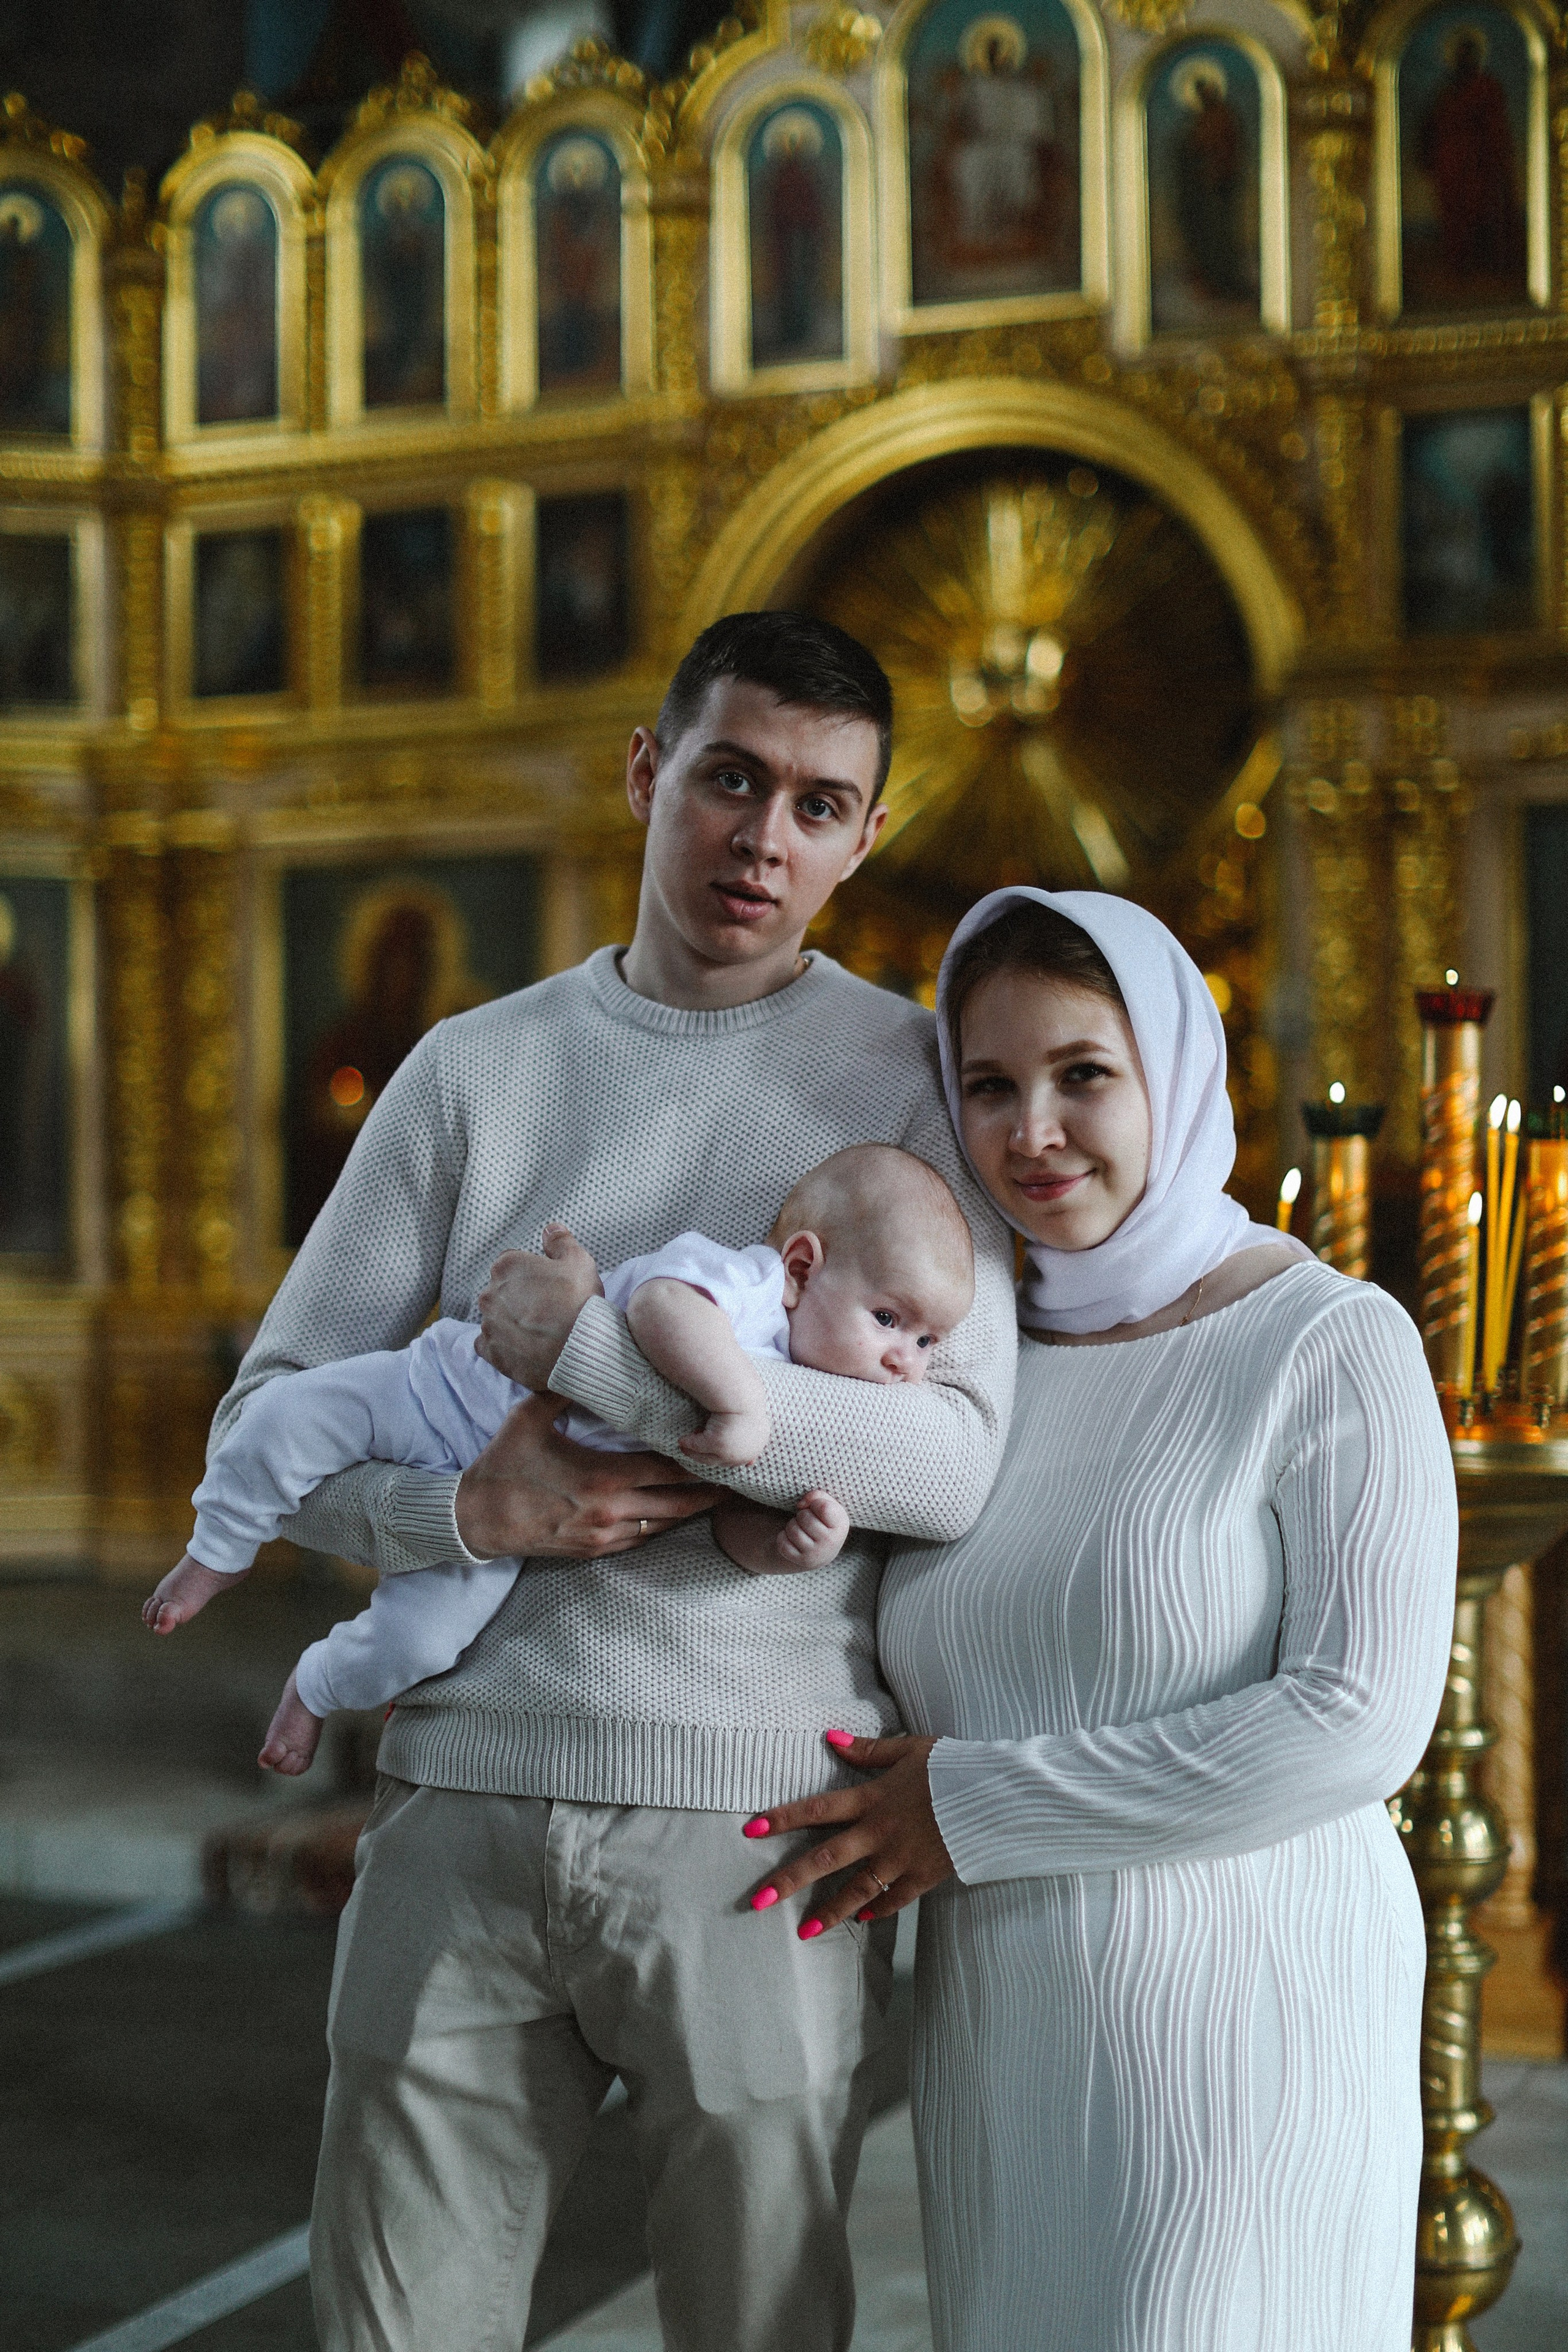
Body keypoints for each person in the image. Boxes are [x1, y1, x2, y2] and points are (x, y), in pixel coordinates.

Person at [209, 611, 1016, 2352]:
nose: (762, 839)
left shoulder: (921, 1091)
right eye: (730, 779)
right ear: (652, 773)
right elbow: (273, 1415)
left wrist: (592, 1364)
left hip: (751, 1834)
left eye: (817, 806)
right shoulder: (472, 1070)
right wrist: (464, 1519)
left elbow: (946, 1464)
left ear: (866, 837)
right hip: (458, 1807)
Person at [744, 888, 1456, 2350]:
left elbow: (1356, 1720)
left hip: (1244, 2024)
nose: (1031, 1132)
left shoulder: (1324, 1339)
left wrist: (974, 1809)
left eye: (1082, 1075)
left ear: (1177, 1073)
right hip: (1005, 2019)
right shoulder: (965, 1365)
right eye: (988, 1087)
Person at [145, 1144, 975, 1776]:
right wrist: (743, 1405)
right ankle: (218, 1550)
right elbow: (659, 1307)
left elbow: (725, 1527)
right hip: (443, 1391)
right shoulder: (746, 1286)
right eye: (890, 1320)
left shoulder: (810, 1391)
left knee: (423, 1642)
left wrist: (793, 1547)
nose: (909, 1359)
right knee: (291, 1419)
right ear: (801, 1266)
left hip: (512, 1532)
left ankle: (317, 1686)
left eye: (930, 1340)